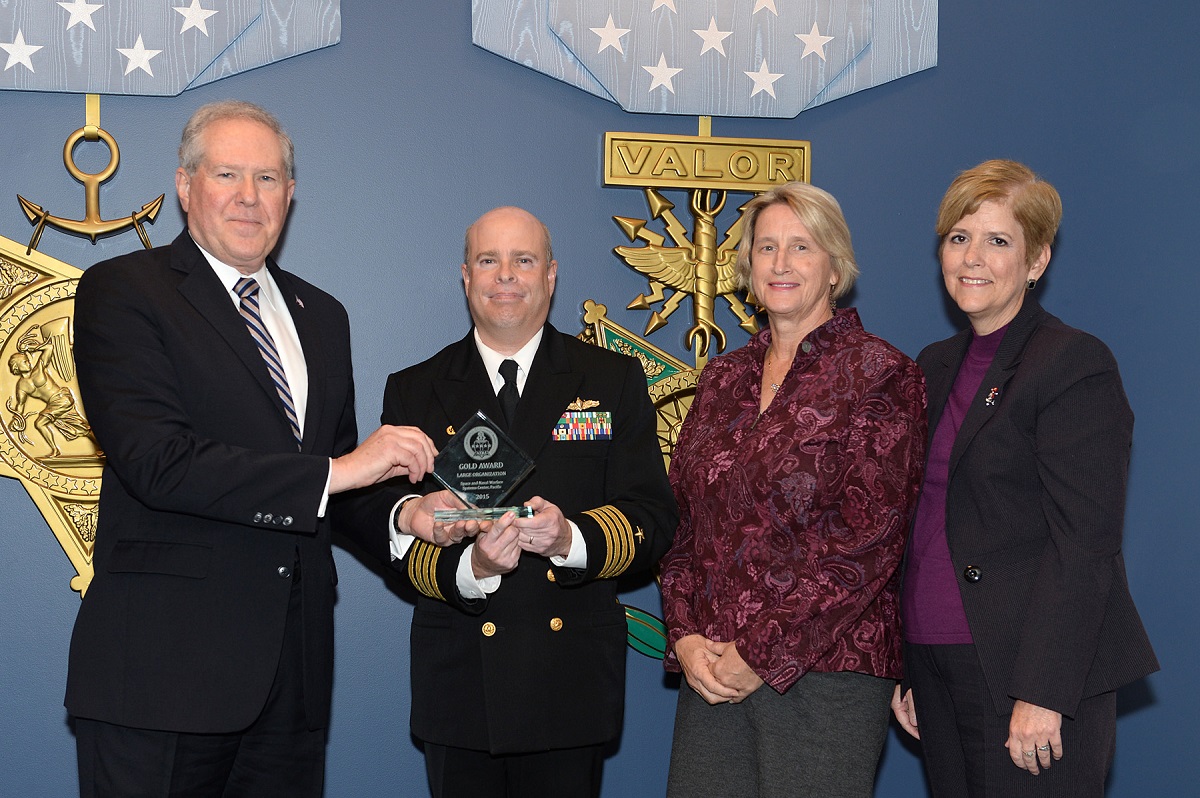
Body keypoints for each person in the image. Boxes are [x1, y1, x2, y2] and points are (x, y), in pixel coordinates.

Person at [64, 100, 467, 797]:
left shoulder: (322, 315)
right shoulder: (124, 290)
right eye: (228, 174)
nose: (250, 197)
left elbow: (334, 487)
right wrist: (343, 470)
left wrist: (407, 518)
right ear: (186, 187)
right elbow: (159, 462)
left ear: (292, 193)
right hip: (162, 680)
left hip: (292, 685)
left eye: (270, 178)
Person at [365, 206, 677, 798]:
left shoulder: (612, 379)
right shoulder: (414, 387)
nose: (505, 276)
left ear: (552, 275)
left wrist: (570, 540)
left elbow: (653, 518)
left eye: (523, 260)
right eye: (489, 260)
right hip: (460, 681)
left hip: (567, 685)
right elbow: (396, 534)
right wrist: (473, 569)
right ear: (465, 276)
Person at [891, 159, 1159, 796]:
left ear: (1036, 261)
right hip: (936, 662)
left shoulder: (1072, 363)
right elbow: (920, 521)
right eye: (958, 238)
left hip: (1025, 675)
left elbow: (1086, 547)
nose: (972, 257)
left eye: (997, 240)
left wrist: (1043, 692)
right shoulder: (933, 364)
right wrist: (904, 662)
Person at [659, 182, 928, 798]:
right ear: (747, 266)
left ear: (835, 267)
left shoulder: (881, 375)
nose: (780, 264)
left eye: (801, 247)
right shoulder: (723, 377)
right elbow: (681, 523)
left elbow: (868, 544)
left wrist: (762, 651)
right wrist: (686, 635)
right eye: (766, 247)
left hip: (825, 675)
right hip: (714, 671)